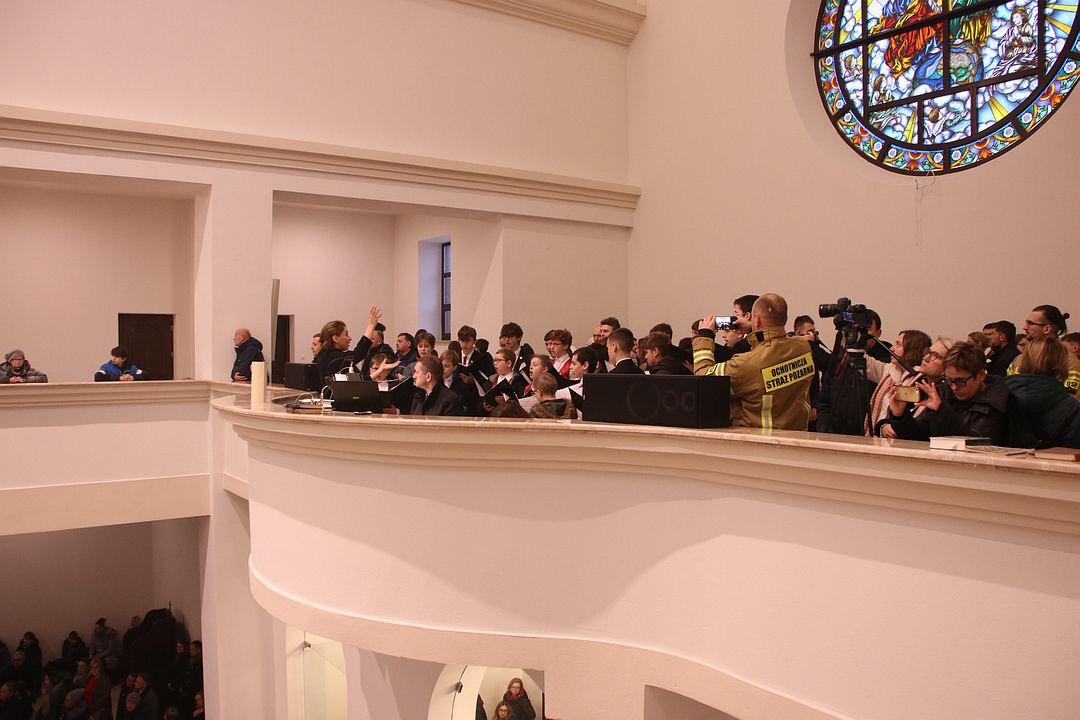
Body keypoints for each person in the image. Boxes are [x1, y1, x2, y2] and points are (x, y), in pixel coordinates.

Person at [694, 294, 813, 430]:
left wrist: (704, 336)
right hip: (798, 435)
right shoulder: (803, 347)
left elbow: (704, 382)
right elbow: (775, 341)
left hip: (759, 438)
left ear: (756, 319)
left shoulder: (746, 364)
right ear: (785, 319)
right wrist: (753, 329)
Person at [885, 342, 1010, 445]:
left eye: (960, 381)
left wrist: (941, 411)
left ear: (981, 375)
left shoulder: (995, 402)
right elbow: (919, 437)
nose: (954, 387)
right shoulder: (944, 392)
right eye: (950, 380)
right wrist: (899, 416)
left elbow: (975, 445)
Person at [1006, 337, 1080, 449]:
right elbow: (1072, 454)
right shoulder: (1073, 409)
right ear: (1062, 364)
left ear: (1023, 360)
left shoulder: (996, 398)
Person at [878, 337, 956, 439]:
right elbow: (906, 423)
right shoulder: (918, 383)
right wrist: (886, 425)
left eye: (935, 355)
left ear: (949, 365)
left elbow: (921, 433)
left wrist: (898, 422)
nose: (926, 358)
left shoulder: (947, 394)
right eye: (928, 352)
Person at [865, 329, 932, 436]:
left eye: (898, 345)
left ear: (912, 350)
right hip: (879, 435)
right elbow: (866, 363)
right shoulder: (889, 370)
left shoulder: (921, 380)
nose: (892, 348)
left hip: (901, 437)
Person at [1010, 304, 1080, 394]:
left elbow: (1070, 399)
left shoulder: (1069, 363)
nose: (1025, 327)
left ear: (1047, 329)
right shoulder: (1020, 359)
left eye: (1030, 323)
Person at [441, 350, 479, 416]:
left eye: (447, 366)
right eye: (441, 365)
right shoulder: (435, 381)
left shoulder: (461, 383)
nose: (443, 369)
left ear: (454, 367)